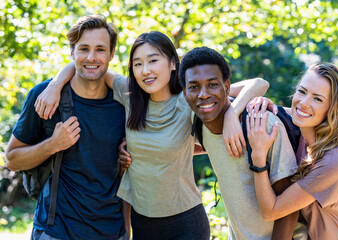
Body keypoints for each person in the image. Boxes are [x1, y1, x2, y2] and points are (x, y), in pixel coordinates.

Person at [33, 31, 269, 239]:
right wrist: (54, 85)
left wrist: (231, 115)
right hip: (142, 221)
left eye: (153, 60)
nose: (145, 71)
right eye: (137, 64)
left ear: (173, 64)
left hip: (187, 220)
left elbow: (259, 83)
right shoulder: (128, 94)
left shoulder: (188, 100)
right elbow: (88, 63)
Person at [5, 15, 129, 240]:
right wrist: (53, 144)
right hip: (56, 232)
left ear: (111, 54)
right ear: (72, 53)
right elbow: (12, 159)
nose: (91, 57)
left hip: (112, 232)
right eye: (84, 49)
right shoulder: (44, 97)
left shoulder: (123, 104)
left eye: (100, 49)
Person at [178, 46, 299, 239]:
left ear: (226, 87)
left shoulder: (261, 123)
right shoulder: (198, 123)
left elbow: (289, 207)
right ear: (184, 93)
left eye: (212, 84)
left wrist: (232, 114)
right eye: (194, 87)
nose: (203, 94)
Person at [247, 62, 338, 239]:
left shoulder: (334, 160)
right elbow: (229, 93)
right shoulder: (303, 126)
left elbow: (272, 211)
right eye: (302, 91)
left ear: (332, 108)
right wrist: (254, 105)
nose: (304, 103)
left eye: (318, 99)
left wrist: (259, 156)